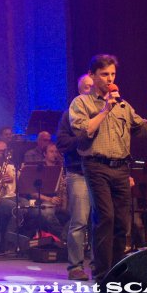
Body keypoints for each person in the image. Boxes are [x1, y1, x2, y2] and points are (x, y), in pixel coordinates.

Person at [69, 54, 147, 280]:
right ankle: (102, 273)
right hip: (96, 165)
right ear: (92, 75)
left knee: (122, 221)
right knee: (105, 216)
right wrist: (105, 109)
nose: (110, 79)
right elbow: (84, 131)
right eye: (104, 74)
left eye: (113, 74)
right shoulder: (81, 103)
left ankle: (116, 272)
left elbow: (143, 130)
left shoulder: (123, 105)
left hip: (121, 168)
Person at [55, 73, 93, 280]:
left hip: (100, 172)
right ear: (80, 91)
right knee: (79, 221)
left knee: (101, 221)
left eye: (93, 86)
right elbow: (61, 143)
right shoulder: (69, 114)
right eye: (87, 87)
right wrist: (84, 136)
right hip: (78, 171)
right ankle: (75, 267)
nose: (91, 90)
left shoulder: (105, 111)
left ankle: (99, 265)